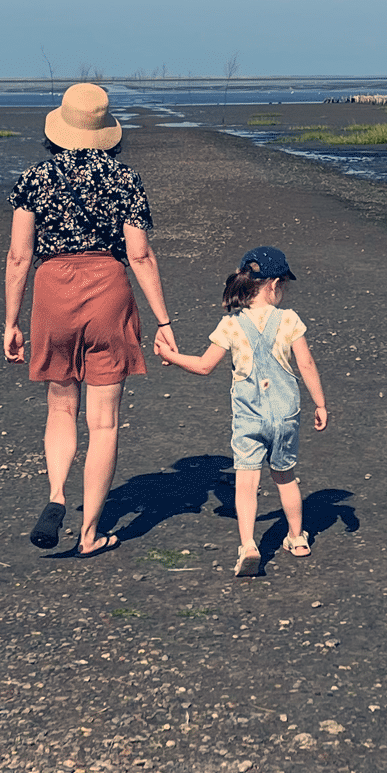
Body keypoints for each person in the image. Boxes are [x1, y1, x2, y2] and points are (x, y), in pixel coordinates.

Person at [4, 83, 178, 556]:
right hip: (108, 289)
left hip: (53, 290)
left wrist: (11, 321)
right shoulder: (125, 180)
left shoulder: (35, 178)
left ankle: (58, 495)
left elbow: (20, 257)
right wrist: (163, 321)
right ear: (106, 132)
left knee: (60, 407)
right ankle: (90, 534)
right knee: (103, 423)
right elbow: (139, 255)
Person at [161, 246, 328, 577]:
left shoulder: (230, 325)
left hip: (249, 416)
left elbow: (205, 366)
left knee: (247, 482)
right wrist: (320, 403)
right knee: (285, 477)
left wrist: (171, 355)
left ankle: (249, 545)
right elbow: (306, 363)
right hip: (285, 415)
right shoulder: (290, 319)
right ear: (274, 284)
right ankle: (296, 538)